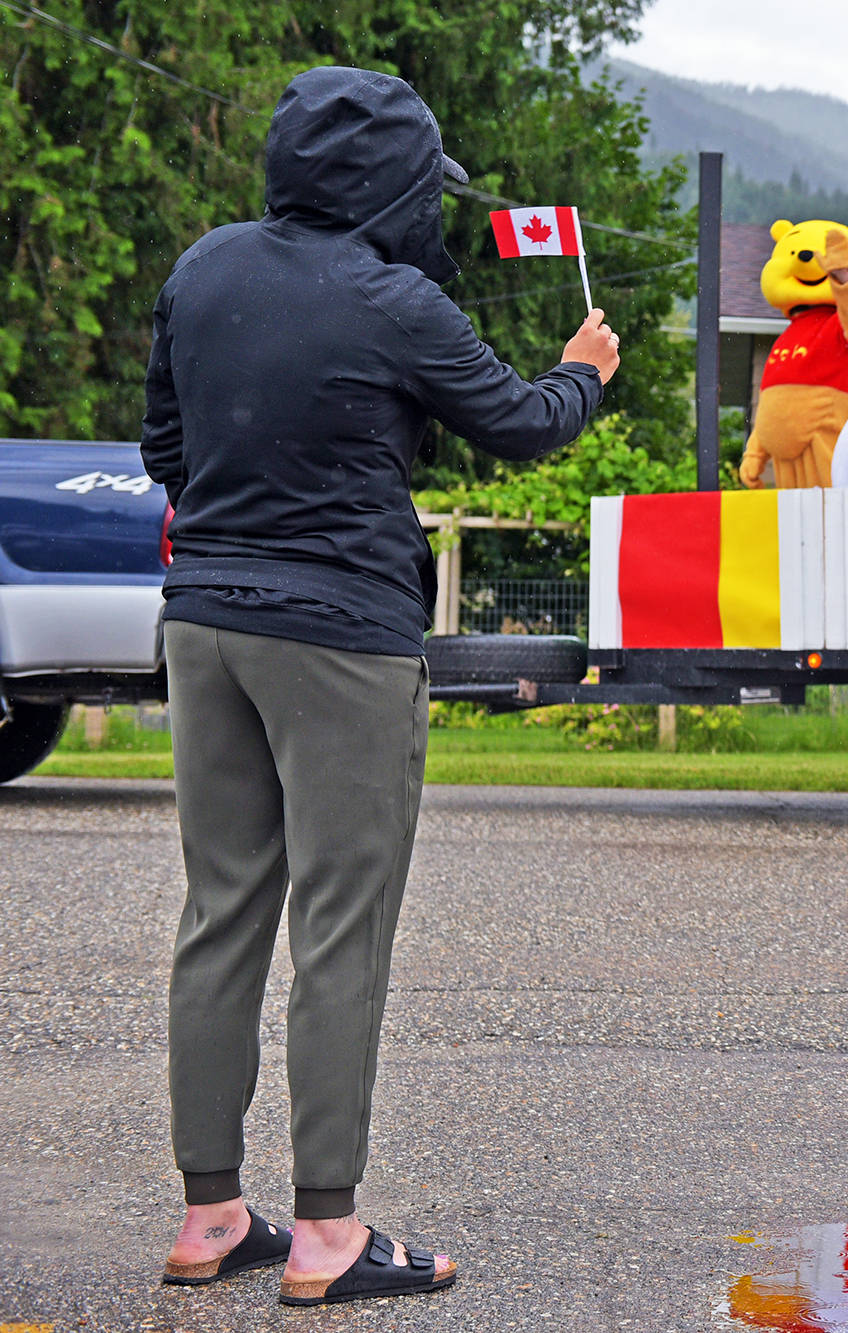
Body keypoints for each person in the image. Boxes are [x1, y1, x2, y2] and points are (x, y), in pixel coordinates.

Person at [140, 66, 618, 1306]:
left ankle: (207, 1217)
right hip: (342, 635)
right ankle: (327, 1234)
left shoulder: (202, 269)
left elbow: (164, 445)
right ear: (397, 183)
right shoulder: (394, 298)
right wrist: (585, 369)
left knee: (221, 911)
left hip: (202, 625)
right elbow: (517, 422)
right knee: (339, 929)